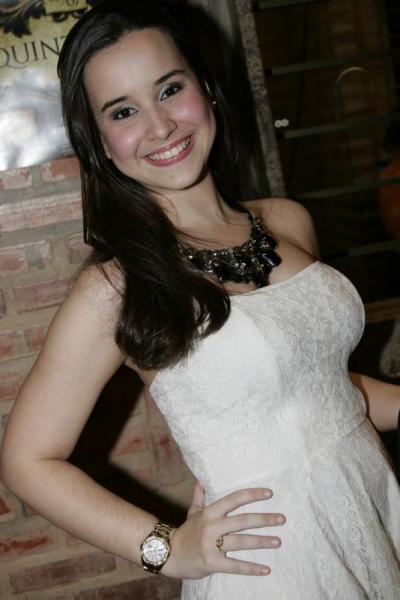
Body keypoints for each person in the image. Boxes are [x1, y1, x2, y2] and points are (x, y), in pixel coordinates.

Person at [1, 1, 400, 598]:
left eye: (170, 89)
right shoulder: (117, 286)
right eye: (124, 111)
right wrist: (166, 549)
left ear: (206, 88)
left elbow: (317, 390)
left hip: (373, 513)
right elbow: (28, 461)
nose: (161, 126)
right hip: (272, 563)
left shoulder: (288, 221)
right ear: (99, 140)